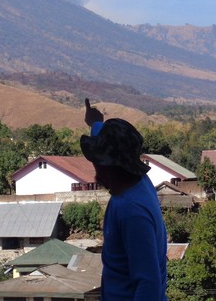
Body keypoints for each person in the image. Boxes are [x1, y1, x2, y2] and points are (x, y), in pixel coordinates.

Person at [80, 99, 168, 301]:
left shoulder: (132, 213)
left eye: (97, 160)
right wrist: (95, 121)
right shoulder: (141, 182)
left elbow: (149, 284)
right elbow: (106, 137)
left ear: (107, 165)